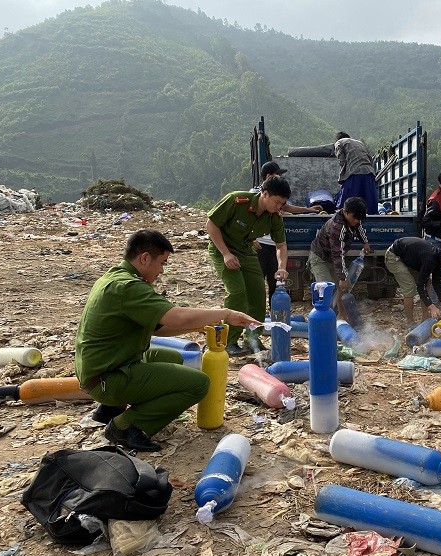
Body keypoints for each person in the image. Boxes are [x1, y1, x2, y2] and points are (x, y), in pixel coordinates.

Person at [75, 229, 258, 452]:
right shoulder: (129, 287)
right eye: (162, 262)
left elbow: (158, 328)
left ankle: (110, 408)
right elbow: (176, 316)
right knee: (197, 384)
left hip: (102, 368)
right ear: (144, 258)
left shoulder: (115, 277)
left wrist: (199, 325)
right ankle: (125, 426)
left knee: (170, 356)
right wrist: (226, 313)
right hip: (106, 378)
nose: (162, 270)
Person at [206, 175, 290, 356]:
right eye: (276, 202)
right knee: (238, 292)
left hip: (246, 251)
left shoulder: (274, 217)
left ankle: (252, 338)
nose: (278, 207)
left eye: (281, 204)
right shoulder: (237, 201)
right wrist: (226, 253)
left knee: (258, 295)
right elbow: (211, 225)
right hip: (223, 250)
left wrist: (281, 267)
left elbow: (281, 246)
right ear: (265, 194)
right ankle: (229, 341)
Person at [252, 161, 320, 308]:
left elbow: (286, 207)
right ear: (268, 176)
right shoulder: (255, 194)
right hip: (259, 245)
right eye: (277, 175)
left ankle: (275, 314)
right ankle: (256, 316)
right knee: (256, 283)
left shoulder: (277, 202)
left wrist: (308, 210)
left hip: (275, 245)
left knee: (276, 283)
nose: (278, 207)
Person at [307, 197, 371, 320]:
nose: (357, 221)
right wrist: (342, 277)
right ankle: (324, 320)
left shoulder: (355, 219)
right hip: (320, 258)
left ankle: (341, 316)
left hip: (332, 259)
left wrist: (365, 242)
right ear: (345, 212)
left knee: (343, 288)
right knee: (325, 289)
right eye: (355, 218)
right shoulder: (337, 227)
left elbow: (360, 228)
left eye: (359, 219)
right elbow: (338, 254)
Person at [385, 237, 441, 327]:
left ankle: (425, 318)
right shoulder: (430, 259)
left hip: (408, 259)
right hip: (394, 257)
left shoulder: (440, 259)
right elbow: (420, 286)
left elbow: (436, 283)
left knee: (428, 283)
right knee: (410, 288)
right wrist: (432, 307)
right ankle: (410, 322)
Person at [334, 132, 378, 214]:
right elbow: (370, 158)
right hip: (369, 173)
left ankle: (341, 216)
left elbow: (342, 161)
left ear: (337, 139)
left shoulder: (339, 143)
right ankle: (372, 219)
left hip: (354, 172)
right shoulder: (359, 143)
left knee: (348, 201)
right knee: (370, 200)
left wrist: (342, 179)